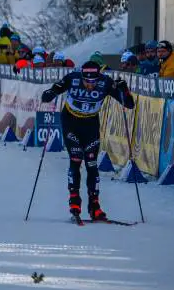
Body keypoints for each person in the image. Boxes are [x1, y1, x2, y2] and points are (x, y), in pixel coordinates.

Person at [41, 53, 135, 222]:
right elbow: (51, 91)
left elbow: (129, 104)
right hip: (71, 122)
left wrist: (124, 89)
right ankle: (74, 202)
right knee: (76, 159)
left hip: (91, 124)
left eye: (93, 82)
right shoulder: (73, 78)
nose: (90, 85)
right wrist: (51, 93)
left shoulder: (105, 82)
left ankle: (95, 206)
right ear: (81, 76)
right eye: (86, 81)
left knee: (92, 163)